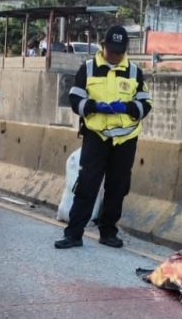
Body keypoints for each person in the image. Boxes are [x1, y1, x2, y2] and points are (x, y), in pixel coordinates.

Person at [55, 25, 153, 249]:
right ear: (104, 46)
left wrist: (128, 107)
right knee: (87, 185)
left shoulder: (134, 72)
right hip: (96, 136)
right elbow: (74, 98)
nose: (115, 56)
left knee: (118, 187)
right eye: (111, 50)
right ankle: (73, 234)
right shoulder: (88, 69)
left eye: (119, 52)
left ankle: (108, 232)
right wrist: (93, 106)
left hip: (125, 139)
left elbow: (146, 103)